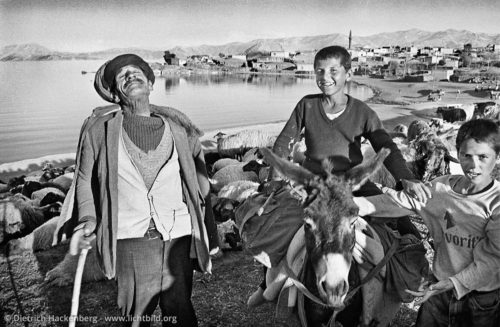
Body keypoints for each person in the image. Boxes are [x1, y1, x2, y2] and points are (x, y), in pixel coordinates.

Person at [247, 45, 430, 306]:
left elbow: (384, 145)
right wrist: (276, 181)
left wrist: (405, 178)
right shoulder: (307, 105)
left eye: (334, 70)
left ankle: (414, 282)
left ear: (348, 73)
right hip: (314, 186)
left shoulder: (363, 112)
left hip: (352, 183)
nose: (325, 77)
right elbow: (284, 142)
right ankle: (266, 285)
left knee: (405, 227)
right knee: (279, 227)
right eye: (319, 71)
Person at [68, 53, 218, 326]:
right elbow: (83, 180)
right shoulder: (98, 131)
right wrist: (88, 219)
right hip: (130, 238)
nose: (130, 76)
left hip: (178, 234)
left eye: (137, 72)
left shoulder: (180, 129)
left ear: (150, 84)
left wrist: (208, 230)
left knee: (181, 311)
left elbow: (200, 184)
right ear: (115, 94)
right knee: (136, 317)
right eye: (122, 76)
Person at [354, 119, 500, 327]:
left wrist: (453, 283)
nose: (474, 165)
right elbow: (398, 202)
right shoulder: (440, 189)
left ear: (496, 157)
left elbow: (493, 259)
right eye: (467, 156)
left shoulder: (496, 202)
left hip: (481, 299)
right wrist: (351, 204)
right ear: (457, 153)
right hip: (439, 291)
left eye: (483, 157)